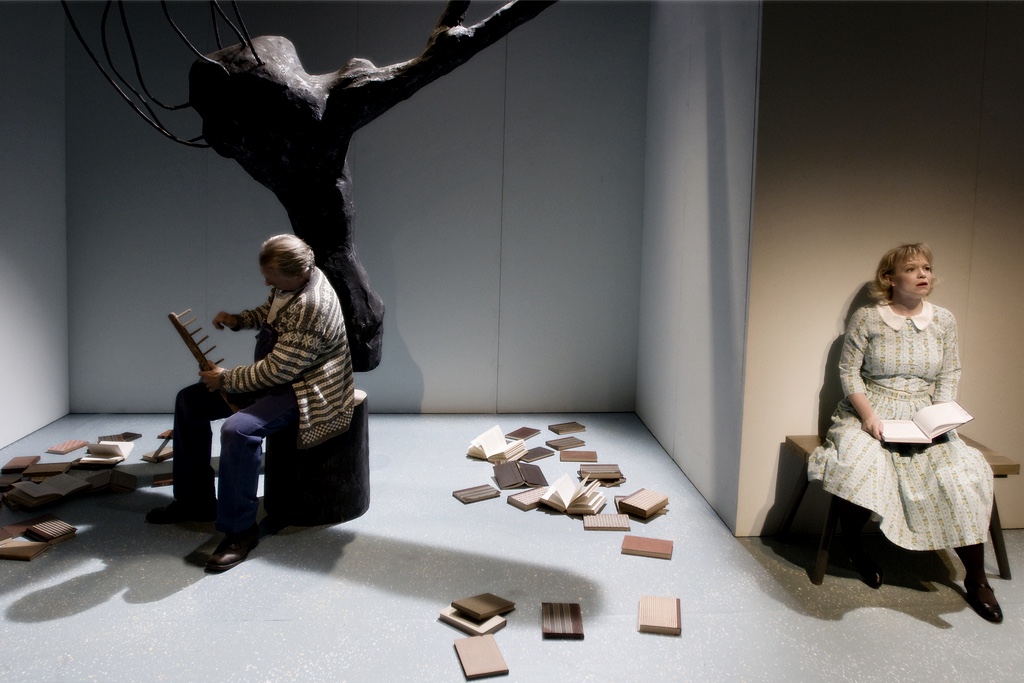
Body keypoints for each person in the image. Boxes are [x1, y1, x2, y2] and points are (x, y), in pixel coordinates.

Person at [808, 243, 1002, 622]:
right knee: (861, 465)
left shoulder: (943, 320)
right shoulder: (868, 319)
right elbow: (849, 372)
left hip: (923, 413)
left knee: (961, 474)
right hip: (871, 410)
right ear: (890, 278)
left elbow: (949, 372)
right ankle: (855, 547)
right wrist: (868, 417)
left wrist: (940, 417)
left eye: (926, 268)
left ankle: (977, 578)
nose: (922, 274)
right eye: (912, 269)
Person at [147, 234, 355, 572]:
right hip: (277, 376)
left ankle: (240, 531)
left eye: (272, 276)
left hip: (306, 388)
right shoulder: (294, 281)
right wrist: (240, 319)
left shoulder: (312, 305)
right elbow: (272, 310)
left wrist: (226, 380)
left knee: (239, 429)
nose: (267, 283)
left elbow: (280, 370)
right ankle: (194, 500)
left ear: (296, 272)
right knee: (189, 401)